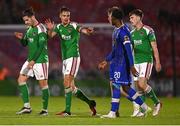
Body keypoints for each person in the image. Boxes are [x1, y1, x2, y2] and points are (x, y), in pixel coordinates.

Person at [98, 7, 151, 118]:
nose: (108, 18)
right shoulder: (116, 30)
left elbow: (128, 49)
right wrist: (106, 61)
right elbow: (115, 50)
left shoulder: (124, 32)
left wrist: (131, 65)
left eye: (109, 16)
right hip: (116, 62)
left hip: (121, 64)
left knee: (116, 86)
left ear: (114, 18)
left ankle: (113, 112)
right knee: (126, 88)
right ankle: (145, 107)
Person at [45, 6, 96, 116]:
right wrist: (50, 29)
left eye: (68, 15)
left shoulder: (73, 25)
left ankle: (67, 111)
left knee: (66, 81)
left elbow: (82, 30)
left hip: (73, 57)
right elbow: (50, 36)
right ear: (60, 16)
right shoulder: (58, 27)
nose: (66, 17)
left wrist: (88, 31)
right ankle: (90, 103)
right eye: (64, 15)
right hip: (65, 59)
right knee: (71, 87)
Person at [14, 7, 49, 116]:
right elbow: (25, 43)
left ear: (33, 17)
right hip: (31, 60)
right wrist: (21, 39)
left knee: (43, 85)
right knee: (21, 79)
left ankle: (45, 110)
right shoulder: (29, 29)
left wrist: (34, 60)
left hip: (41, 60)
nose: (26, 22)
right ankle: (27, 107)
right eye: (24, 20)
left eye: (27, 20)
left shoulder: (41, 28)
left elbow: (41, 47)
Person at [129, 9, 162, 117]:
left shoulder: (148, 30)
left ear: (139, 17)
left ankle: (157, 103)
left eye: (132, 17)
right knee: (139, 87)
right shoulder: (132, 33)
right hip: (136, 62)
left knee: (142, 84)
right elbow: (131, 50)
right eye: (130, 18)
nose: (130, 20)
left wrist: (158, 62)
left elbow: (154, 47)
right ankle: (143, 111)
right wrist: (131, 64)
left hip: (146, 61)